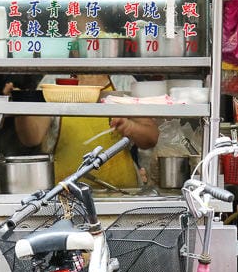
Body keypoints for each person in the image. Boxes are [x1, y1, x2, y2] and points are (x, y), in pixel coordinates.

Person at [15, 74, 159, 189]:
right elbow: (32, 138)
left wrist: (129, 127)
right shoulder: (52, 82)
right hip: (67, 193)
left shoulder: (123, 81)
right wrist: (20, 102)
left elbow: (151, 137)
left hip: (120, 191)